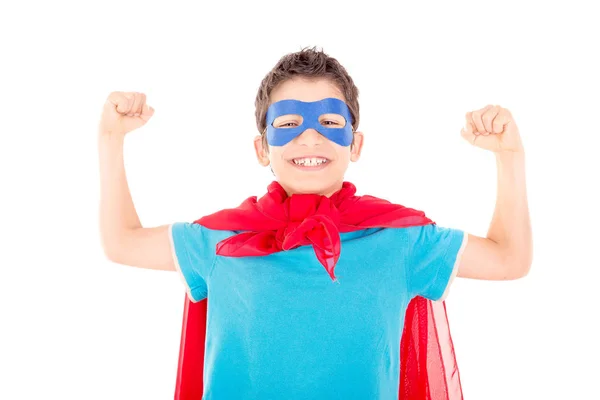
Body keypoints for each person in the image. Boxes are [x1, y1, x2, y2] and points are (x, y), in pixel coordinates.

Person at [98, 47, 532, 399]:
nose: (310, 137)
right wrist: (110, 138)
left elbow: (509, 259)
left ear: (355, 143)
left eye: (329, 121)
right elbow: (122, 242)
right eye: (287, 124)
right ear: (261, 149)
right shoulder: (222, 239)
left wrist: (509, 158)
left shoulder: (400, 239)